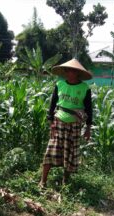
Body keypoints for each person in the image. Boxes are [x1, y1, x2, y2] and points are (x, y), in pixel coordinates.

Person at [39, 58, 93, 187]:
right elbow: (52, 105)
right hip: (59, 122)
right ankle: (43, 180)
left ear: (78, 73)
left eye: (72, 71)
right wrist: (51, 121)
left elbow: (89, 108)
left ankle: (65, 180)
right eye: (67, 70)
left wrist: (88, 128)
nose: (69, 73)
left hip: (75, 124)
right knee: (51, 150)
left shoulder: (85, 88)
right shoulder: (59, 85)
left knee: (70, 152)